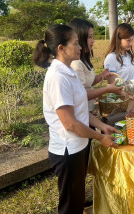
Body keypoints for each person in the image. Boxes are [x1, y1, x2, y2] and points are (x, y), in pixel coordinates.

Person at [33, 24, 119, 214]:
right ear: (61, 49)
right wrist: (100, 138)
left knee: (77, 200)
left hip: (77, 146)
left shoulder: (68, 72)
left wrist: (101, 127)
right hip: (67, 150)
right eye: (75, 43)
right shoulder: (57, 77)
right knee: (70, 206)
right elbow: (70, 123)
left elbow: (80, 111)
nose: (81, 47)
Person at [69, 18, 123, 112]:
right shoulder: (76, 64)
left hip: (87, 111)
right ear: (79, 39)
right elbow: (80, 95)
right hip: (80, 113)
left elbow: (88, 83)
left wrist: (101, 76)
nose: (93, 41)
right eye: (90, 37)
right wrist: (106, 90)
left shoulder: (84, 59)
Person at [104, 23, 134, 108]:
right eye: (128, 40)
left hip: (133, 98)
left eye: (132, 40)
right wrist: (129, 96)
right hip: (120, 101)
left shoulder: (129, 55)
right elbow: (113, 85)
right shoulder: (111, 58)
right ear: (118, 39)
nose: (131, 43)